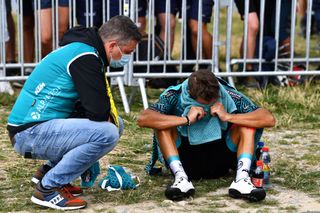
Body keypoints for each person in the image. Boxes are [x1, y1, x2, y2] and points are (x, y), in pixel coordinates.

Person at [6, 15, 141, 210]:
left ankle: (47, 172)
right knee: (108, 132)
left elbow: (92, 109)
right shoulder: (86, 57)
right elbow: (97, 111)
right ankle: (48, 188)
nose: (127, 58)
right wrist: (89, 158)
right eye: (127, 52)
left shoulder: (82, 49)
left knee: (115, 124)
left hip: (30, 129)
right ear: (112, 46)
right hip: (29, 133)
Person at [138, 69, 276, 201]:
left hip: (221, 157)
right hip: (185, 159)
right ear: (188, 92)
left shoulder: (227, 93)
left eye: (213, 103)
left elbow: (268, 119)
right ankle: (181, 179)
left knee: (246, 125)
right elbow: (143, 119)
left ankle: (242, 179)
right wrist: (185, 120)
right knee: (163, 126)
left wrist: (228, 116)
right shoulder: (174, 95)